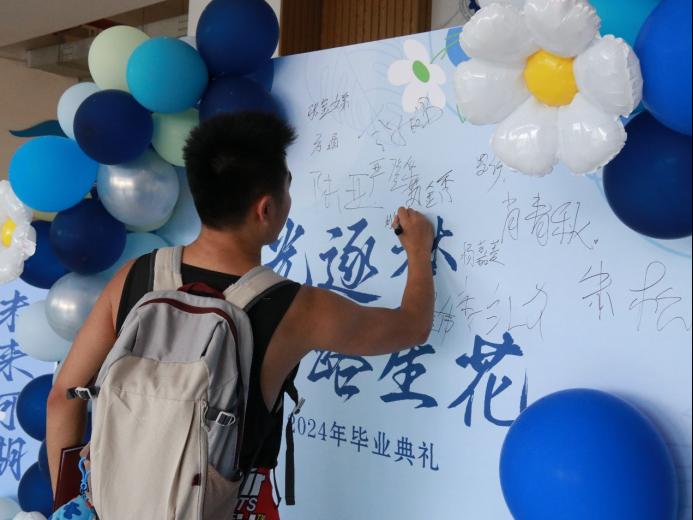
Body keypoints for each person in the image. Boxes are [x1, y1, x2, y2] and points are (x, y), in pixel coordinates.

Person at [46, 111, 435, 519]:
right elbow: (412, 326)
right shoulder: (297, 308)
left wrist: (74, 509)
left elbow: (63, 398)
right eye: (287, 188)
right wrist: (417, 250)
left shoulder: (136, 275)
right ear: (265, 208)